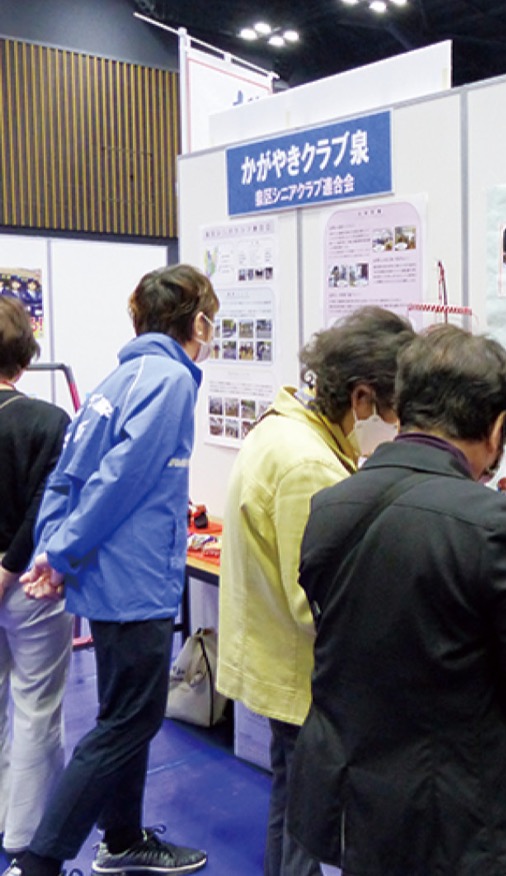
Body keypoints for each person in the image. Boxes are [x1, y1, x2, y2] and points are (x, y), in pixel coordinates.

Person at [288, 325, 506, 876]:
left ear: (404, 408)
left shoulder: (330, 504)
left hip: (349, 797)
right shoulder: (493, 523)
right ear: (497, 428)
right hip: (453, 813)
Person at [9, 264, 219, 876]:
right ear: (198, 322)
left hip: (111, 579)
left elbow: (68, 476)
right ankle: (39, 861)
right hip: (135, 582)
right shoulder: (169, 380)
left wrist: (54, 549)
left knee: (122, 714)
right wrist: (59, 554)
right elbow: (117, 482)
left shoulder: (119, 378)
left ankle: (122, 837)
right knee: (130, 720)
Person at [216, 306, 415, 876]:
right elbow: (317, 601)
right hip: (300, 673)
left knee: (289, 806)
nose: (393, 426)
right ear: (360, 396)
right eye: (391, 411)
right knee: (311, 827)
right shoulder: (308, 465)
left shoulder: (285, 428)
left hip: (277, 655)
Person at [0, 299, 72, 859]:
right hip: (30, 584)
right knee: (36, 705)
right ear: (25, 358)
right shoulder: (50, 422)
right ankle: (24, 838)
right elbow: (46, 508)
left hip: (21, 580)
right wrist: (6, 570)